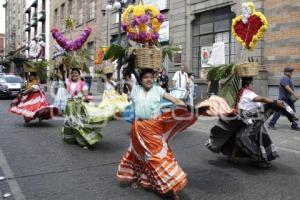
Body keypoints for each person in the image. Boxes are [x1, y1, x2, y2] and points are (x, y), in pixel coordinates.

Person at [117, 68, 197, 199]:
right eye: (145, 77)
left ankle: (171, 187)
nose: (149, 79)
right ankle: (139, 179)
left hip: (153, 129)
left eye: (151, 77)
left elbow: (173, 99)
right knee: (138, 155)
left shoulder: (158, 90)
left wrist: (186, 106)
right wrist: (130, 62)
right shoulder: (135, 89)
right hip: (138, 129)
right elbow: (126, 76)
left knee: (159, 157)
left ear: (154, 79)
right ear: (141, 80)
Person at [206, 77, 297, 168]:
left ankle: (233, 156)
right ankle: (258, 159)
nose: (253, 85)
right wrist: (274, 101)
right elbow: (262, 99)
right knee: (252, 140)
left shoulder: (241, 92)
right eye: (252, 84)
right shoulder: (249, 93)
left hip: (246, 120)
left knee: (239, 137)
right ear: (249, 84)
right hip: (250, 122)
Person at [62, 68, 102, 149]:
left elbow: (85, 94)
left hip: (79, 106)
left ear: (79, 75)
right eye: (72, 73)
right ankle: (75, 139)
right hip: (70, 106)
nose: (74, 74)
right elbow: (63, 75)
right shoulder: (68, 82)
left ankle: (84, 141)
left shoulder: (83, 84)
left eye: (76, 73)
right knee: (71, 124)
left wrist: (85, 97)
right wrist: (63, 66)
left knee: (79, 124)